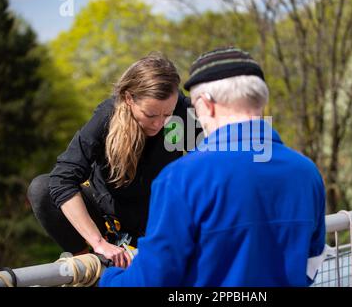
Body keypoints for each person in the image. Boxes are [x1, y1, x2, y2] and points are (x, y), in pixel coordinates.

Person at [99, 47, 327, 286]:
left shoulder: (182, 179)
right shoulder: (307, 172)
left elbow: (154, 279)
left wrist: (109, 278)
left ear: (207, 105)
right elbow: (312, 261)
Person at [27, 53, 198, 268]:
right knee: (41, 188)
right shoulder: (107, 115)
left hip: (155, 219)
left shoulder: (184, 114)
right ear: (128, 99)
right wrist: (98, 243)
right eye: (150, 114)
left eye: (167, 115)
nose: (159, 124)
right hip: (105, 218)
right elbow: (63, 178)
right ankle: (87, 261)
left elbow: (215, 163)